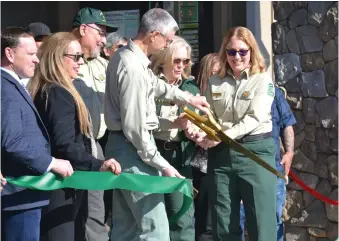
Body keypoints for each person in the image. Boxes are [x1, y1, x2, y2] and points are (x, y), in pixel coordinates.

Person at [104, 8, 209, 241]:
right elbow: (136, 129)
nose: (167, 46)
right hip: (133, 151)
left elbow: (156, 86)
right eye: (168, 40)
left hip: (124, 148)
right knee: (156, 230)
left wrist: (188, 98)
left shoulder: (129, 59)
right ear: (154, 35)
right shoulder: (132, 67)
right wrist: (163, 165)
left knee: (126, 229)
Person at [28, 32, 121, 241]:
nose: (80, 63)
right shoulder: (58, 92)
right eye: (76, 57)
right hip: (59, 185)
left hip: (55, 182)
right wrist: (98, 164)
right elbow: (64, 144)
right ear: (58, 58)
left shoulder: (47, 89)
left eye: (82, 57)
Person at [193, 26, 277, 241]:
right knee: (223, 225)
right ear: (225, 53)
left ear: (251, 51)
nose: (236, 57)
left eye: (242, 51)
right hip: (221, 156)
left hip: (254, 153)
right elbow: (208, 115)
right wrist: (198, 130)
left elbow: (254, 118)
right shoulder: (215, 81)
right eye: (231, 52)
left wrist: (220, 135)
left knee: (261, 224)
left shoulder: (262, 80)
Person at [1, 27, 73, 241]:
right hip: (18, 196)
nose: (36, 60)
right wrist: (51, 162)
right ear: (10, 54)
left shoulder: (12, 85)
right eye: (31, 54)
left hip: (23, 195)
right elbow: (12, 142)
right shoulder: (6, 89)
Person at [71, 7, 119, 241]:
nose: (103, 39)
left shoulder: (105, 66)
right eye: (99, 32)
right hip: (69, 146)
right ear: (82, 29)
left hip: (98, 145)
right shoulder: (63, 63)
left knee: (95, 212)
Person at [150, 35, 197, 241]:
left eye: (185, 61)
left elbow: (200, 122)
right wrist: (172, 123)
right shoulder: (148, 83)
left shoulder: (190, 88)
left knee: (182, 217)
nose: (181, 66)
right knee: (151, 216)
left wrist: (194, 129)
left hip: (179, 156)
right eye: (177, 60)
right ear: (164, 58)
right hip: (151, 153)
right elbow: (141, 121)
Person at [239, 85, 296, 241]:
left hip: (273, 170)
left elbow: (287, 124)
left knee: (273, 222)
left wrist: (289, 153)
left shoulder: (273, 91)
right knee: (237, 223)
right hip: (241, 170)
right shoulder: (236, 88)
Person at [190, 53, 220, 241]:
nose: (218, 77)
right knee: (200, 223)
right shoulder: (194, 95)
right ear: (205, 73)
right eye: (215, 72)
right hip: (196, 166)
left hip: (218, 164)